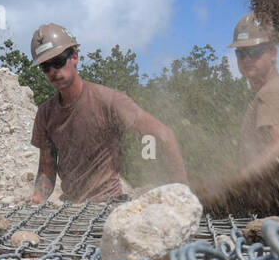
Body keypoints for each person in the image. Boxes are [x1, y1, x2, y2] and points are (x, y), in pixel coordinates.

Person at [27, 23, 186, 204]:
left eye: (58, 62)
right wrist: (39, 196)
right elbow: (47, 168)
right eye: (45, 67)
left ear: (75, 57)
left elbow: (163, 135)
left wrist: (181, 192)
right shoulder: (46, 114)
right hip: (72, 209)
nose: (53, 71)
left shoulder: (109, 101)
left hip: (108, 205)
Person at [229, 13, 279, 174]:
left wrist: (239, 183)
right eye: (241, 53)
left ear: (273, 53)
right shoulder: (271, 89)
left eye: (255, 51)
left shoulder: (273, 91)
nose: (247, 59)